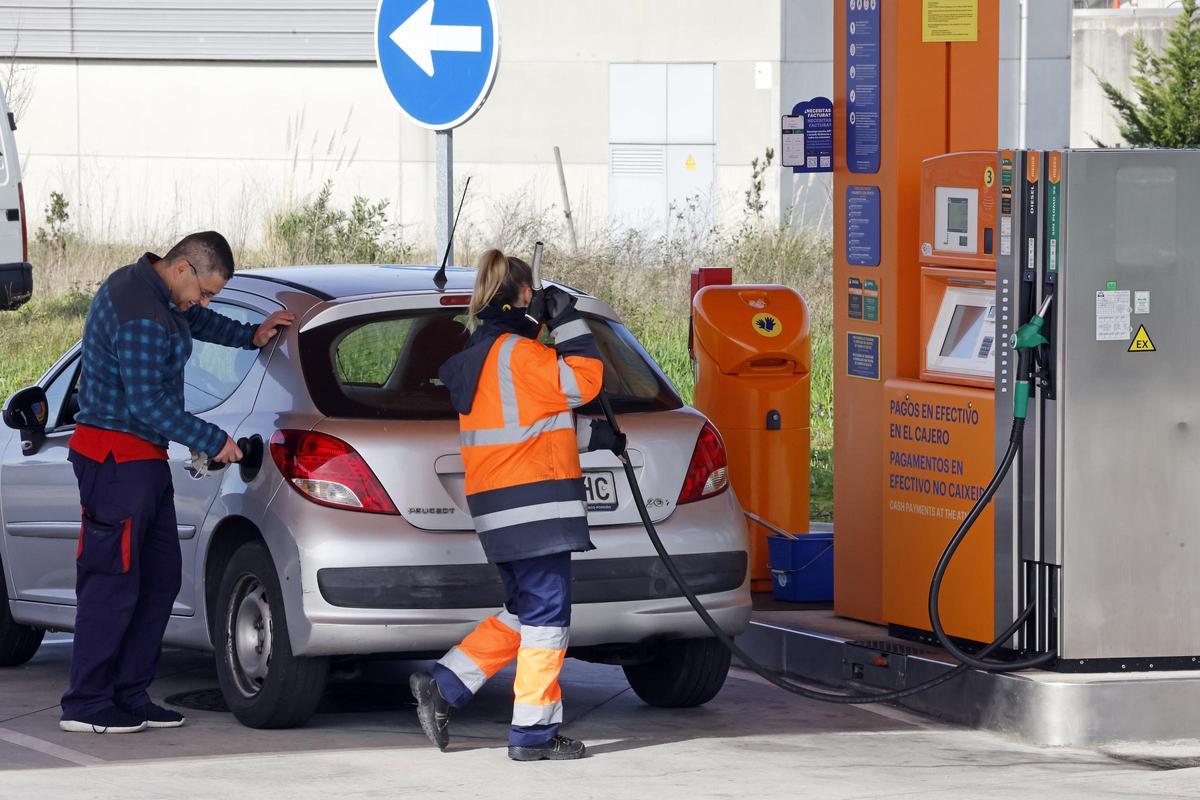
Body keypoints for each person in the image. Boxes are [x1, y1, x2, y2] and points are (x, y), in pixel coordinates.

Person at [61, 232, 294, 734]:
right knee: (112, 581)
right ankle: (86, 702)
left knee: (161, 576)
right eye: (205, 291)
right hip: (114, 460)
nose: (203, 302)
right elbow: (147, 403)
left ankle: (129, 694)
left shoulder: (162, 293)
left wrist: (249, 336)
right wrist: (213, 439)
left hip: (143, 460)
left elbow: (196, 318)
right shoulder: (138, 308)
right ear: (184, 267)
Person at [409, 248, 624, 762]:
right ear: (526, 296)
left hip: (500, 509)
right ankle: (533, 734)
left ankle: (445, 683)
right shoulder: (519, 355)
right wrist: (567, 317)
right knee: (548, 619)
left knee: (526, 611)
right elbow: (585, 380)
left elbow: (529, 426)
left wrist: (598, 438)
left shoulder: (483, 360)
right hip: (537, 510)